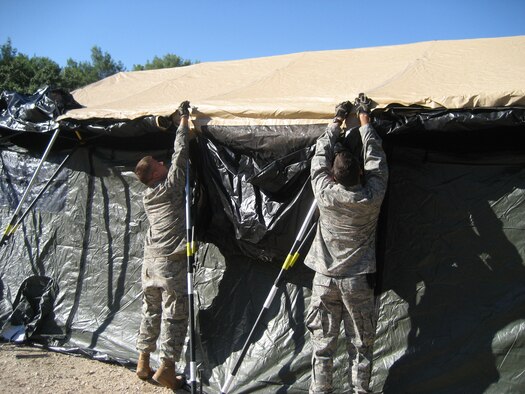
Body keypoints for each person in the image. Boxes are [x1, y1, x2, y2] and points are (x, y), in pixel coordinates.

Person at [304, 94, 388, 393]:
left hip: (324, 279)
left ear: (333, 176)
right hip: (357, 281)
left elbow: (318, 157)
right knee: (361, 345)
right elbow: (377, 164)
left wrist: (337, 121)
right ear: (359, 174)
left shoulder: (325, 194)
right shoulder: (371, 197)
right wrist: (366, 123)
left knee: (322, 346)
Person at [133, 100, 192, 390]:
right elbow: (181, 154)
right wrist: (184, 121)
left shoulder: (147, 197)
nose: (163, 162)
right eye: (158, 163)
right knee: (175, 314)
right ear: (156, 173)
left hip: (149, 262)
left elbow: (173, 159)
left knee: (150, 310)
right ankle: (167, 368)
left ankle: (143, 361)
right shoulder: (170, 188)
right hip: (170, 262)